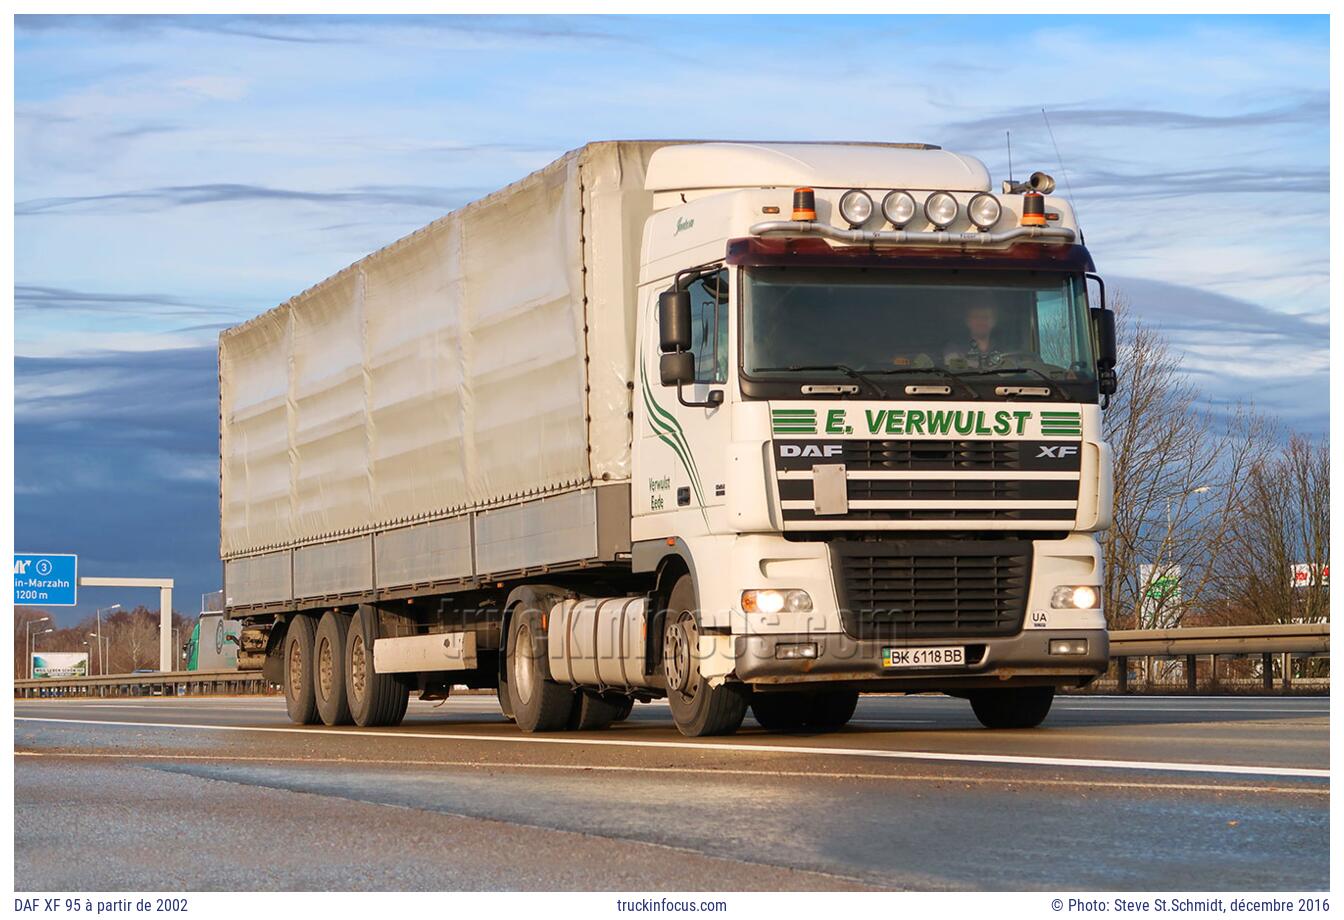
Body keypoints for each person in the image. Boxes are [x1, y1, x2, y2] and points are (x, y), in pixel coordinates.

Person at [943, 298, 1007, 370]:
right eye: (976, 317)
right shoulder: (954, 349)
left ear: (994, 321)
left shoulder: (1005, 350)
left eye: (986, 317)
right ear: (967, 321)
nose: (981, 321)